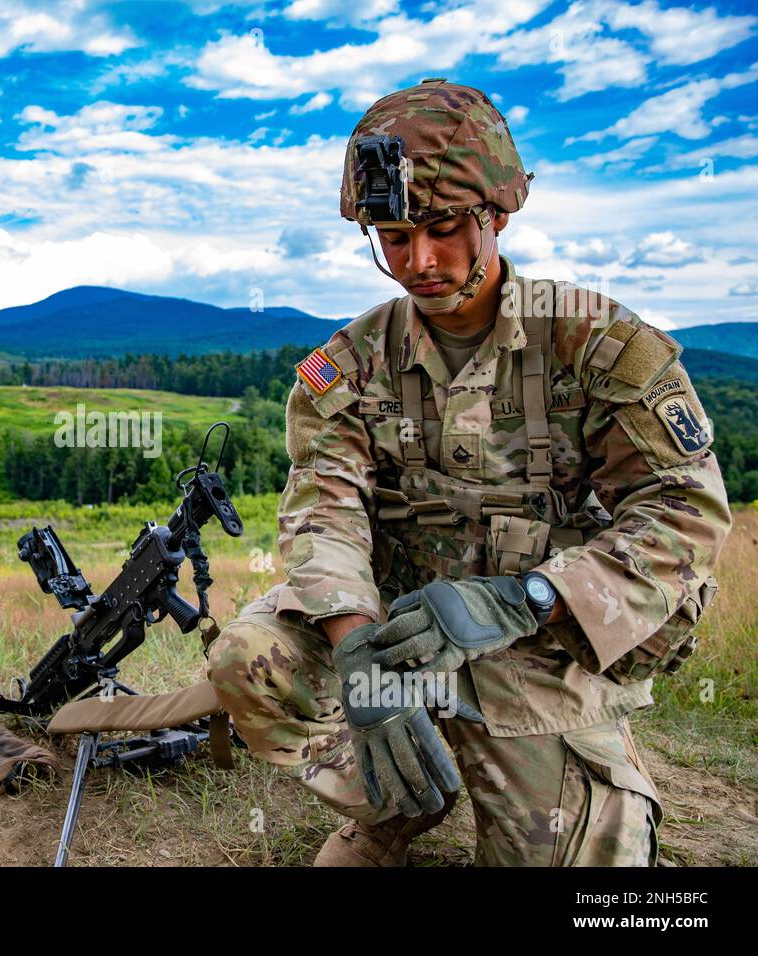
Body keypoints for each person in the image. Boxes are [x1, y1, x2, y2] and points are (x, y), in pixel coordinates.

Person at [207, 79, 731, 866]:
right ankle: (399, 797)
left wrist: (531, 597)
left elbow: (685, 512)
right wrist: (356, 653)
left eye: (443, 228)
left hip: (538, 648)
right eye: (392, 236)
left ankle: (582, 768)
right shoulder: (349, 364)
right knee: (249, 660)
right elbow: (325, 512)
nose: (418, 260)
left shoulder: (594, 344)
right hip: (398, 634)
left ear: (497, 213)